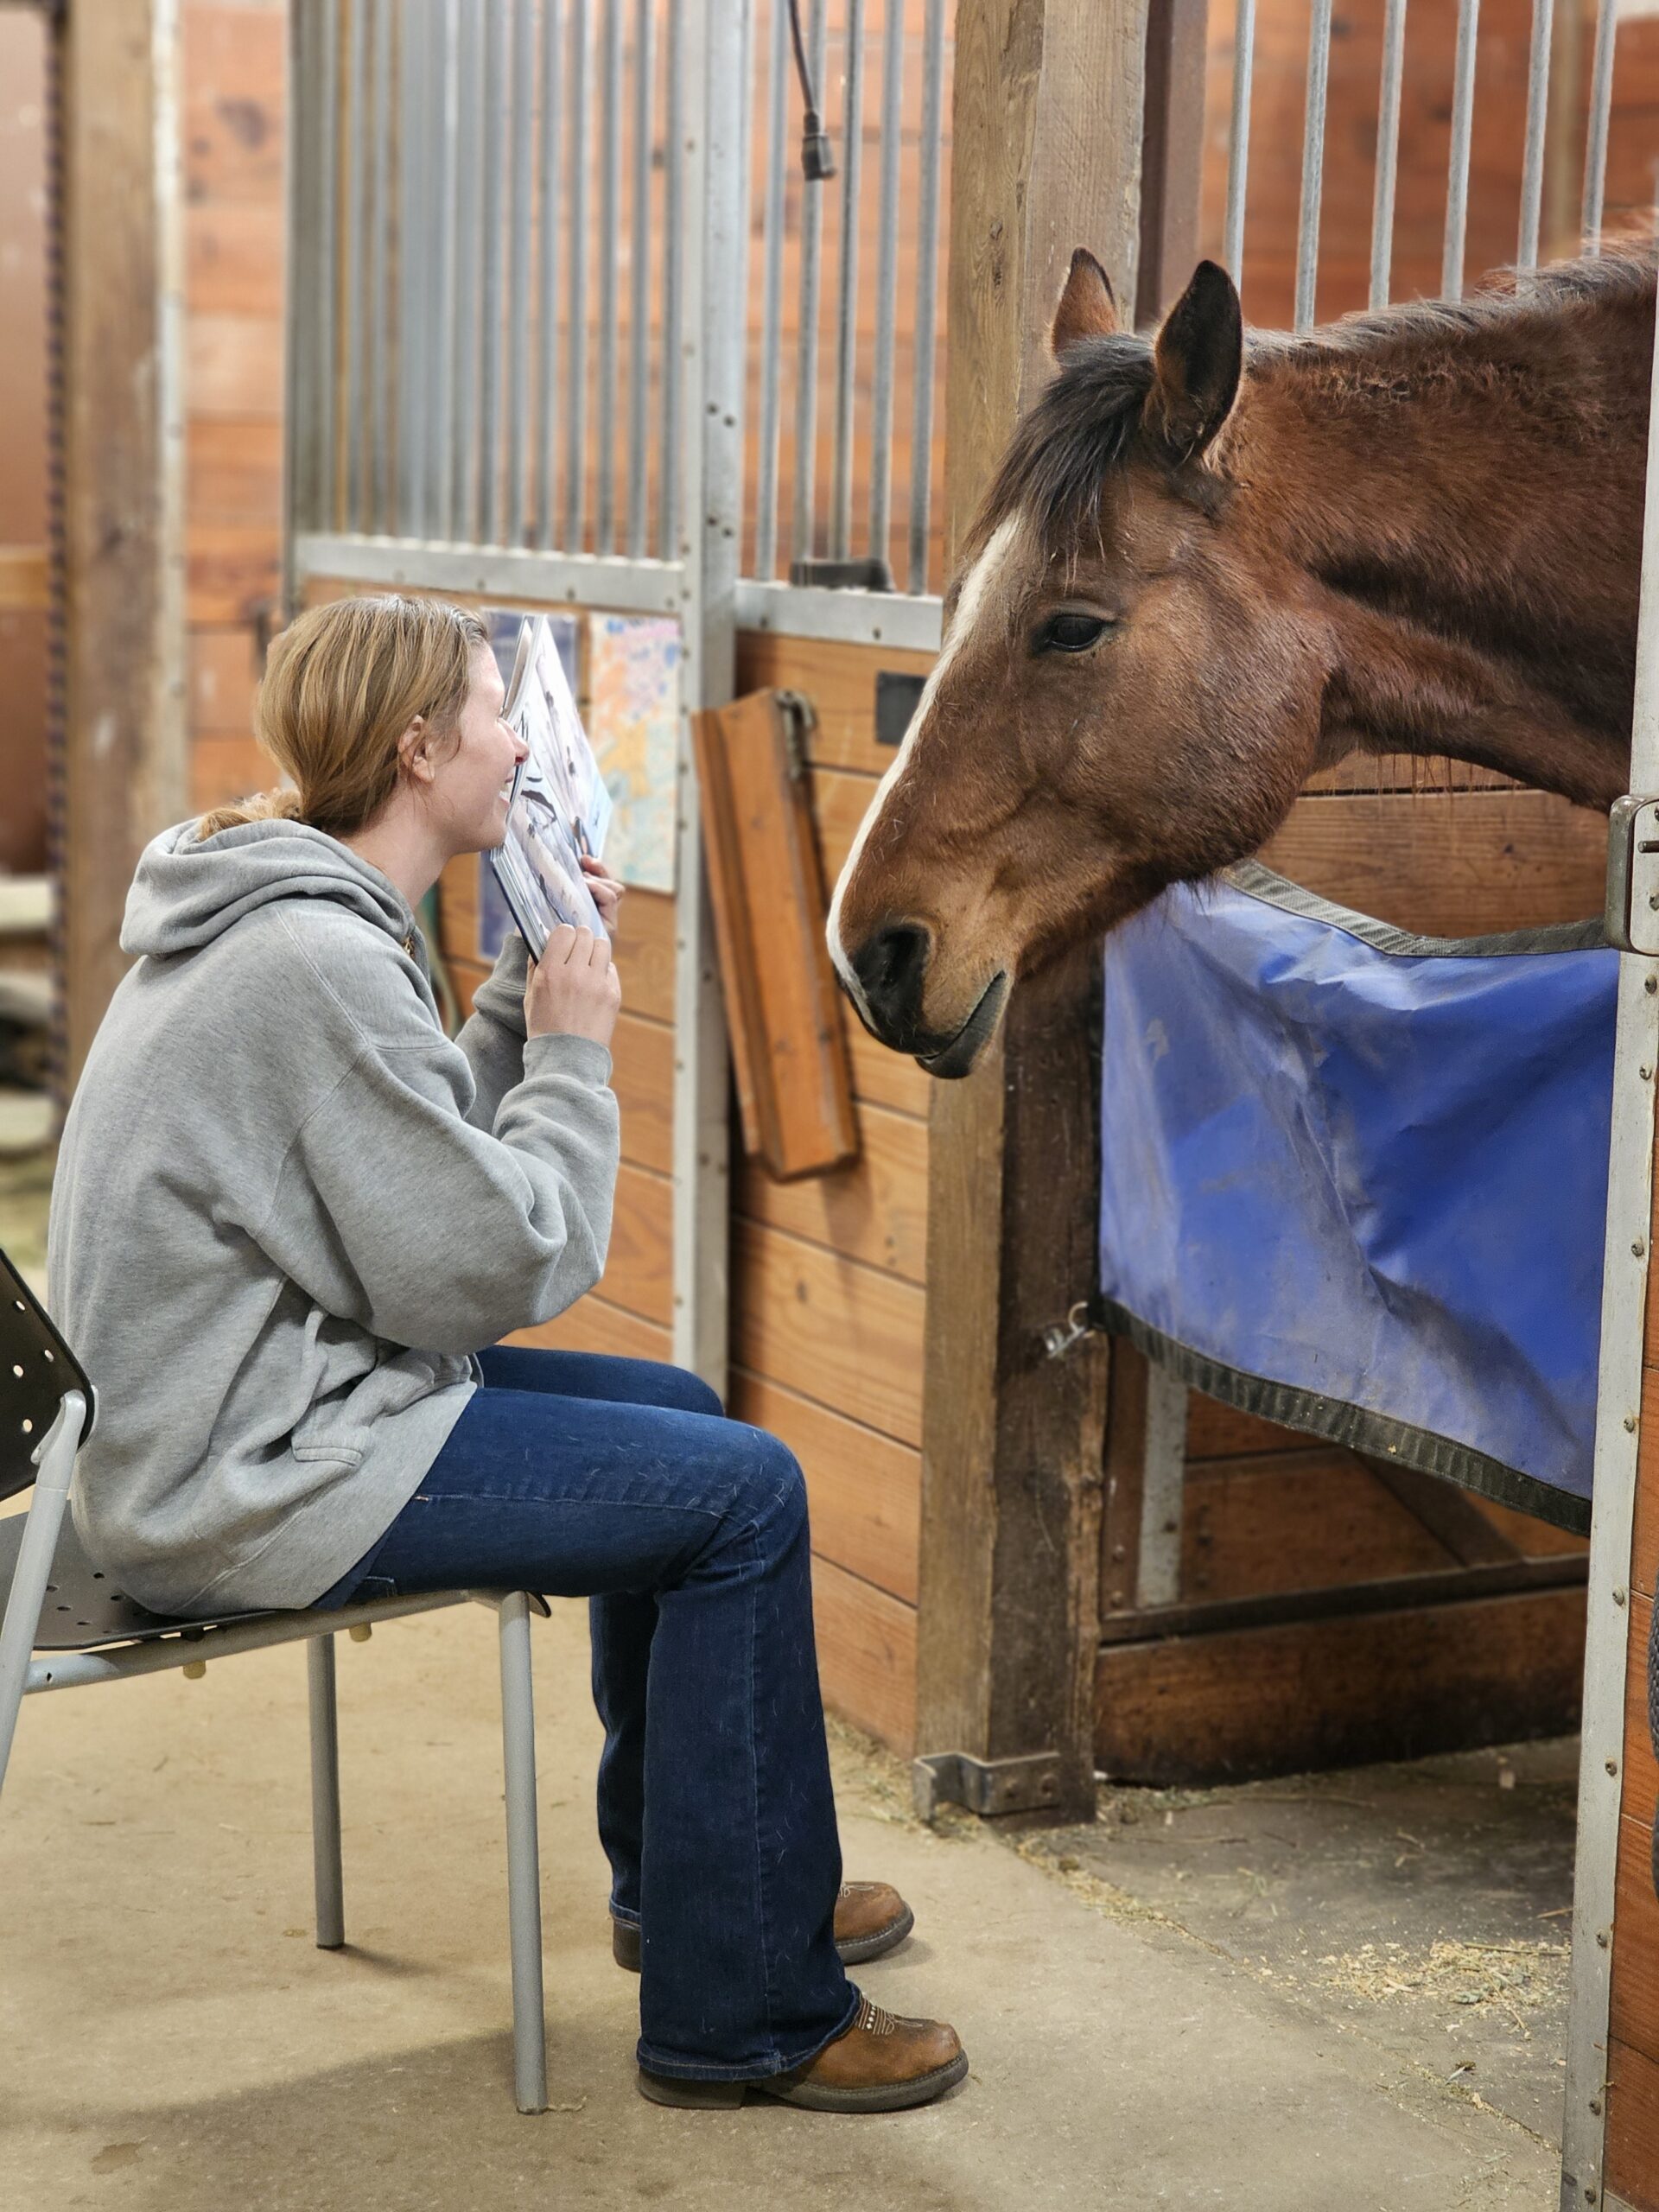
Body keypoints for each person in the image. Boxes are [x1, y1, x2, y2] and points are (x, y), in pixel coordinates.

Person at [46, 594, 967, 2113]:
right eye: (496, 713)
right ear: (421, 751)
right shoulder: (312, 964)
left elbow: (398, 1166)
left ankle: (695, 1897)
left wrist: (504, 992)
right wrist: (577, 1049)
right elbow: (494, 1261)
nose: (522, 740)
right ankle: (746, 2015)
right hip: (244, 1477)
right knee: (745, 1496)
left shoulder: (293, 914)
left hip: (245, 1416)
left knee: (679, 1413)